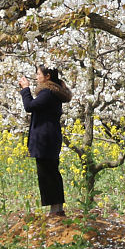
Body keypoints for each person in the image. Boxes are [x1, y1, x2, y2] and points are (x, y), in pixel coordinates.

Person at [18, 65, 73, 217]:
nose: (36, 77)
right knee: (51, 172)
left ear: (47, 76)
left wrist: (25, 89)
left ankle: (55, 210)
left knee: (47, 173)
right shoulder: (54, 93)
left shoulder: (48, 93)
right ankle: (56, 208)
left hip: (44, 138)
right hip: (50, 137)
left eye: (38, 74)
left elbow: (29, 106)